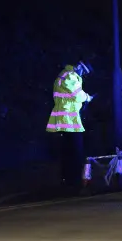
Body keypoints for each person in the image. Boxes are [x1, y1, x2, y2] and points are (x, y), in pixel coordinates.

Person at [47, 60, 94, 192]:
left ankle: (68, 182)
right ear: (79, 66)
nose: (83, 74)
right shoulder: (70, 76)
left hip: (65, 119)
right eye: (83, 71)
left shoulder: (64, 74)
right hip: (69, 120)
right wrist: (88, 97)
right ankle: (74, 183)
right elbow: (78, 95)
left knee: (68, 153)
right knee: (76, 153)